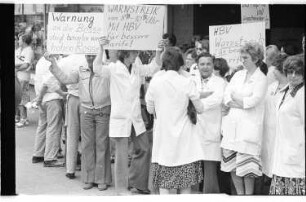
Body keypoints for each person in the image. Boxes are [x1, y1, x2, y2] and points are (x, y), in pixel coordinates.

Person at [93, 37, 164, 194]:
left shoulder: (136, 67)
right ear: (125, 54)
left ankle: (137, 182)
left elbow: (154, 67)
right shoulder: (113, 68)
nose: (136, 54)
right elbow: (97, 68)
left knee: (144, 148)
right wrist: (100, 48)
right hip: (121, 117)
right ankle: (121, 188)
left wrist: (158, 51)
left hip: (135, 117)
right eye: (134, 52)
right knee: (122, 154)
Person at [46, 50, 112, 191]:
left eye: (93, 55)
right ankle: (88, 178)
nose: (90, 58)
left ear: (99, 56)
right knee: (87, 144)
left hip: (103, 110)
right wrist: (53, 64)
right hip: (86, 110)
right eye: (88, 55)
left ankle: (101, 179)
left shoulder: (106, 69)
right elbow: (65, 79)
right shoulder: (81, 70)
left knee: (102, 144)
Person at [145, 47, 206, 195]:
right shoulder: (187, 82)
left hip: (163, 140)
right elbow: (200, 108)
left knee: (164, 185)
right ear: (180, 63)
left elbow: (150, 110)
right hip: (185, 141)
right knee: (185, 184)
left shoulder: (155, 82)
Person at [220, 42, 268, 195]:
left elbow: (253, 102)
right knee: (233, 165)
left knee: (247, 168)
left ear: (255, 58)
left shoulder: (261, 78)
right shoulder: (238, 74)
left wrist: (237, 100)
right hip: (232, 126)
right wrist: (237, 101)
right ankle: (240, 195)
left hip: (248, 128)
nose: (242, 60)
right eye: (242, 57)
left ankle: (248, 196)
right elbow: (227, 94)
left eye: (246, 57)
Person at [269, 55, 305, 195]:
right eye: (290, 72)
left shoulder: (302, 95)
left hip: (297, 158)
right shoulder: (286, 91)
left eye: (298, 72)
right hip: (282, 156)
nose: (293, 76)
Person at [192, 53, 227, 193]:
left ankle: (210, 196)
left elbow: (217, 100)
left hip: (211, 128)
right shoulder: (191, 80)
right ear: (197, 66)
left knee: (209, 168)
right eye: (202, 64)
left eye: (208, 64)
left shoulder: (220, 82)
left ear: (213, 65)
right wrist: (199, 97)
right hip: (193, 129)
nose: (205, 67)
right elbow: (185, 96)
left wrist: (196, 100)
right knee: (192, 167)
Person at [260, 53, 289, 194]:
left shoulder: (292, 89)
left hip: (282, 136)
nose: (272, 72)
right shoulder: (271, 87)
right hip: (268, 133)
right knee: (268, 167)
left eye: (274, 69)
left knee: (280, 168)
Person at [32, 55, 65, 167]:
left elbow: (40, 81)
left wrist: (39, 98)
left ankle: (38, 154)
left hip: (43, 99)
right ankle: (50, 158)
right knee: (53, 128)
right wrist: (63, 94)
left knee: (43, 126)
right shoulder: (54, 61)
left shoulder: (41, 60)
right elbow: (48, 82)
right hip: (52, 98)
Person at [15, 33, 34, 127]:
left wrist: (17, 67)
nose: (18, 41)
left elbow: (26, 65)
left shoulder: (29, 51)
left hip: (23, 77)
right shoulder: (18, 50)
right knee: (17, 97)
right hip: (17, 76)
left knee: (22, 97)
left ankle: (24, 118)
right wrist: (19, 65)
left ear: (24, 41)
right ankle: (17, 116)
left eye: (20, 40)